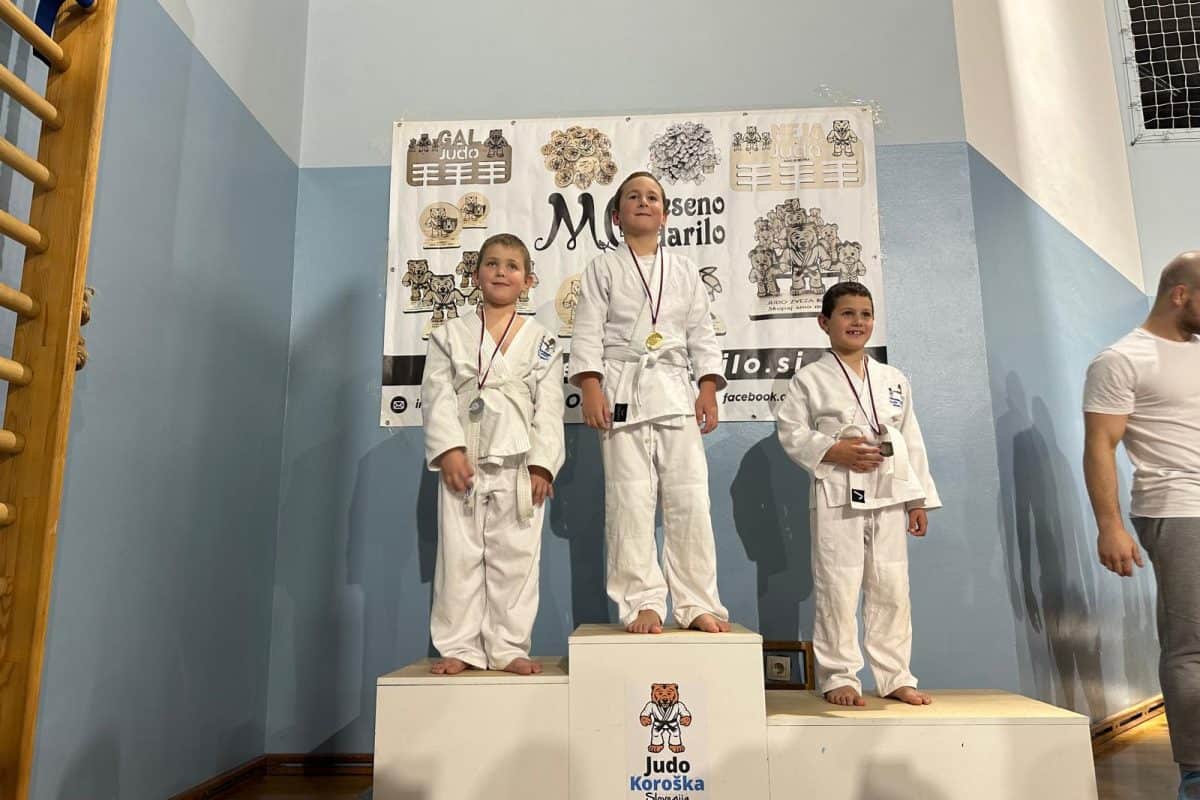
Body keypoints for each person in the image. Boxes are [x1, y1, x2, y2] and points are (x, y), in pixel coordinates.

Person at [568, 171, 731, 635]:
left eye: (653, 197)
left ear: (665, 215)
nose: (644, 202)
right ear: (617, 216)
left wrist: (707, 387)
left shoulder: (683, 270)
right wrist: (591, 386)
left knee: (690, 499)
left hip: (676, 390)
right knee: (629, 500)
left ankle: (697, 601)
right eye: (633, 197)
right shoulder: (602, 268)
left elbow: (701, 332)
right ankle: (641, 601)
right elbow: (587, 332)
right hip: (623, 387)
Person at [777, 282, 940, 706]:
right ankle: (838, 676)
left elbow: (911, 439)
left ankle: (895, 675)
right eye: (847, 313)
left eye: (865, 314)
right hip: (837, 492)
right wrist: (833, 449)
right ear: (824, 322)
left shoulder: (893, 379)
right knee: (838, 584)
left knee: (892, 587)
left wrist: (918, 499)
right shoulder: (809, 379)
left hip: (889, 491)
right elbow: (791, 431)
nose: (858, 322)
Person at [1083, 251, 1200, 799]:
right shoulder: (1121, 360)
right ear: (1181, 294)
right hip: (1176, 507)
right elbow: (1100, 445)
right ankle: (1196, 775)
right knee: (1191, 645)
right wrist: (1109, 526)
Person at [421, 233, 564, 674]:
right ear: (476, 274)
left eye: (512, 266)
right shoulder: (448, 335)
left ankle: (508, 646)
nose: (502, 272)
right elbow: (436, 395)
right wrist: (448, 450)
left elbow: (550, 407)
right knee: (459, 557)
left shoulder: (543, 341)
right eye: (492, 264)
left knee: (516, 558)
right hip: (464, 459)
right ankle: (459, 646)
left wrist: (543, 465)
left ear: (528, 281)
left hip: (519, 462)